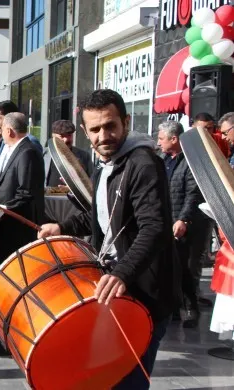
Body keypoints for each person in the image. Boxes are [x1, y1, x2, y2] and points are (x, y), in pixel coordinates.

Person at [37, 89, 180, 389]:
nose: (104, 135)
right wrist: (60, 227)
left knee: (128, 381)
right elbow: (100, 216)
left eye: (110, 125)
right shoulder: (105, 165)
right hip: (120, 289)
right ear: (86, 132)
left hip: (145, 294)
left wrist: (122, 273)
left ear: (125, 122)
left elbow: (154, 228)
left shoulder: (142, 163)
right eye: (95, 129)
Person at [0, 111, 44, 352]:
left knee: (18, 279)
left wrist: (3, 207)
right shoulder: (14, 150)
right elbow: (11, 183)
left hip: (19, 225)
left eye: (1, 129)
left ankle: (18, 332)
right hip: (8, 222)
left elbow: (26, 193)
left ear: (9, 131)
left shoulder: (28, 151)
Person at [157, 120, 205, 328]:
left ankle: (190, 310)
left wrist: (183, 218)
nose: (158, 143)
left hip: (184, 222)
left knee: (186, 268)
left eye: (161, 138)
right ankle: (174, 308)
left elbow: (192, 194)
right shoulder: (162, 160)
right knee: (169, 267)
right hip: (165, 221)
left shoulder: (190, 161)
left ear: (174, 139)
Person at [43, 119, 94, 187]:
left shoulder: (84, 156)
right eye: (62, 136)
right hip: (47, 196)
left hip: (72, 197)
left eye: (69, 135)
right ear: (53, 136)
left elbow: (91, 180)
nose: (66, 139)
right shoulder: (43, 154)